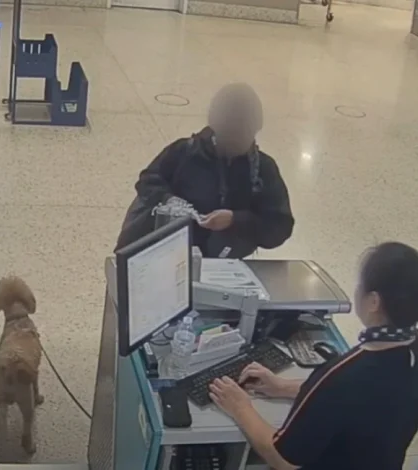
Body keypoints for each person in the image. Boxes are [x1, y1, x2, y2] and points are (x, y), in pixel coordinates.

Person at [209, 242, 418, 470]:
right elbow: (362, 402)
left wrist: (240, 407)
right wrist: (284, 387)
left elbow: (283, 458)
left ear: (373, 302)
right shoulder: (407, 351)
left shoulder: (343, 375)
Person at [116, 83, 294, 258]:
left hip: (224, 264)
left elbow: (280, 227)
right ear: (215, 128)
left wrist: (235, 220)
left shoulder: (263, 170)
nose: (236, 142)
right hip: (170, 257)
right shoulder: (183, 153)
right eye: (229, 135)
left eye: (244, 135)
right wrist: (169, 200)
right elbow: (147, 181)